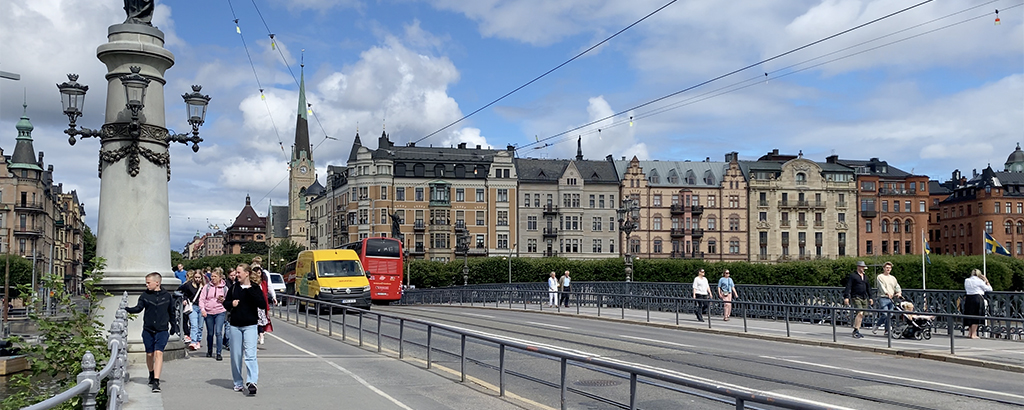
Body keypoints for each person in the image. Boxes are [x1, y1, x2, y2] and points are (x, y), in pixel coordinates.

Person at [125, 272, 176, 393]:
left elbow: (172, 312)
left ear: (157, 282)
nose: (146, 284)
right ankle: (151, 373)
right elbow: (138, 308)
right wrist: (127, 309)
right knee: (149, 354)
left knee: (158, 353)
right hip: (148, 329)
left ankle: (156, 381)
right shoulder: (145, 295)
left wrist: (174, 326)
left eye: (148, 282)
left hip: (162, 330)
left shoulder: (167, 296)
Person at [224, 263, 267, 395]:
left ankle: (252, 381)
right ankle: (238, 382)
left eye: (239, 272)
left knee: (250, 354)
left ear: (247, 273)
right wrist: (231, 303)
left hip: (250, 325)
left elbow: (262, 304)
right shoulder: (234, 288)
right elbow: (226, 303)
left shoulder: (255, 288)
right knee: (236, 356)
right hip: (235, 325)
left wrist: (251, 291)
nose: (237, 275)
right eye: (236, 273)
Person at [199, 269, 228, 360]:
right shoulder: (207, 287)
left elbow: (228, 300)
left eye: (215, 276)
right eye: (212, 276)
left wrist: (224, 300)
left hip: (220, 311)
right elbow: (202, 299)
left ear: (220, 277)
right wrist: (203, 309)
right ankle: (210, 350)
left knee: (218, 332)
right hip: (209, 312)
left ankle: (219, 353)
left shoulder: (224, 288)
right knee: (210, 333)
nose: (213, 278)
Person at [843, 261, 873, 339]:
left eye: (864, 268)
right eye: (862, 267)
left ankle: (857, 329)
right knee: (860, 312)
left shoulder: (865, 277)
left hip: (864, 297)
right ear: (858, 267)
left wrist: (870, 297)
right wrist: (846, 297)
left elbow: (868, 288)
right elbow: (848, 286)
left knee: (862, 314)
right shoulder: (853, 276)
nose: (863, 269)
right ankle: (856, 329)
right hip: (856, 296)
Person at [177, 270, 205, 350]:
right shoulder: (188, 285)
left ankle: (198, 340)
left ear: (201, 277)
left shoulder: (205, 286)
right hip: (193, 306)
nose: (197, 279)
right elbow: (185, 293)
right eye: (196, 277)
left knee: (200, 326)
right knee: (194, 325)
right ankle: (193, 341)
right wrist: (185, 299)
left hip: (202, 307)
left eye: (199, 277)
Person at [872, 262, 902, 335]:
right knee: (885, 314)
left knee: (890, 314)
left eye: (890, 268)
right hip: (883, 297)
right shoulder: (880, 277)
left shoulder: (893, 278)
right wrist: (886, 292)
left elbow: (896, 286)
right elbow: (881, 286)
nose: (888, 269)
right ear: (884, 268)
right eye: (887, 268)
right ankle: (877, 325)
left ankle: (887, 330)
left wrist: (899, 292)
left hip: (891, 298)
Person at [964, 269, 992, 339]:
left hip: (968, 298)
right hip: (977, 298)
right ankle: (973, 334)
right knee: (976, 315)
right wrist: (986, 281)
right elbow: (989, 289)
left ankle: (970, 333)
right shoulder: (979, 281)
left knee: (969, 315)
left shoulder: (967, 280)